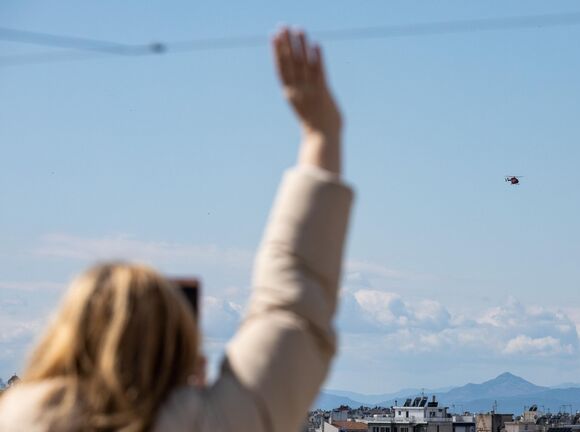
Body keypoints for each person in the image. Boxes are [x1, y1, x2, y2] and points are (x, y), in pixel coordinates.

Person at [0, 28, 353, 432]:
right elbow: (294, 305)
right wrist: (321, 131)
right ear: (179, 345)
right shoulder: (213, 422)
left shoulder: (19, 418)